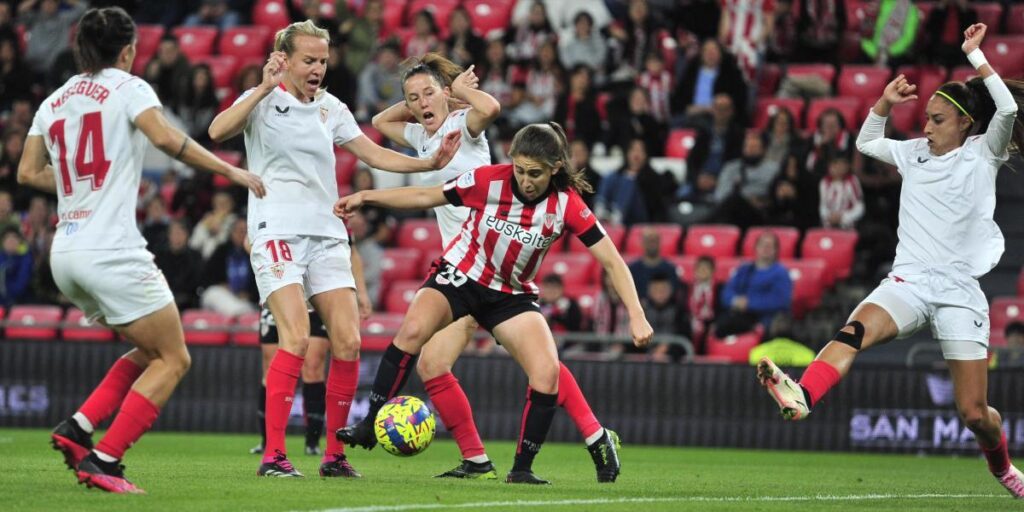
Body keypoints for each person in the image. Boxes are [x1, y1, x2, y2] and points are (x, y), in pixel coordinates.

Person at [758, 24, 1024, 498]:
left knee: (976, 415)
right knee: (852, 332)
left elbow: (1006, 107)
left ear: (964, 122)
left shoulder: (984, 154)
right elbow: (865, 142)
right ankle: (803, 395)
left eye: (937, 120)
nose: (925, 127)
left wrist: (975, 55)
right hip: (909, 282)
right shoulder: (914, 154)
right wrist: (882, 102)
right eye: (924, 117)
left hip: (959, 291)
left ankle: (1004, 469)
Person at [19, 7, 264, 494]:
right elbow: (166, 138)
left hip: (65, 253)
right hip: (111, 251)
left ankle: (79, 428)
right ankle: (106, 461)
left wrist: (75, 192)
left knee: (151, 349)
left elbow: (27, 173)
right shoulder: (129, 87)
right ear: (129, 50)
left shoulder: (55, 99)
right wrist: (232, 171)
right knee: (174, 359)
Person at [208, 20, 459, 479]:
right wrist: (262, 87)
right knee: (298, 339)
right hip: (276, 231)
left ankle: (333, 456)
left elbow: (372, 153)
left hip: (327, 233)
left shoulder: (330, 107)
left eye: (322, 60)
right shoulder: (263, 101)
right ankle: (274, 457)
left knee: (348, 341)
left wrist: (427, 163)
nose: (318, 69)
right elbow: (217, 129)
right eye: (308, 60)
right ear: (284, 59)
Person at [335, 122, 653, 484]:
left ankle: (521, 470)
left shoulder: (566, 205)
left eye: (535, 173)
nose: (525, 179)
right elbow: (428, 196)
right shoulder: (489, 180)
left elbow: (612, 260)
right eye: (519, 169)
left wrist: (636, 315)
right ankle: (370, 424)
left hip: (509, 294)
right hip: (462, 276)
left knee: (546, 372)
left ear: (555, 169)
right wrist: (366, 197)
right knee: (414, 331)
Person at [371, 54, 620, 482]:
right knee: (510, 364)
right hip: (462, 268)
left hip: (482, 265)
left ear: (448, 96)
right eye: (413, 99)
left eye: (429, 93)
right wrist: (423, 97)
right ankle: (582, 438)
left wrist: (451, 94)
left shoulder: (464, 126)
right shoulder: (426, 139)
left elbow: (486, 108)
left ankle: (498, 454)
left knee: (529, 365)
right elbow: (379, 121)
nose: (421, 104)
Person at [251, 307, 332, 457]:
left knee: (313, 366)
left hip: (314, 299)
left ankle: (312, 443)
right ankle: (267, 441)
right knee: (271, 367)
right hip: (279, 293)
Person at [717, 231, 792, 337]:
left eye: (769, 245)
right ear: (756, 247)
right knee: (721, 324)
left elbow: (780, 300)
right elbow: (727, 292)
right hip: (741, 315)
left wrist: (749, 303)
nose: (765, 248)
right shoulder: (744, 269)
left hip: (766, 318)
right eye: (762, 244)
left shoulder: (781, 273)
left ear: (776, 250)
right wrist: (735, 301)